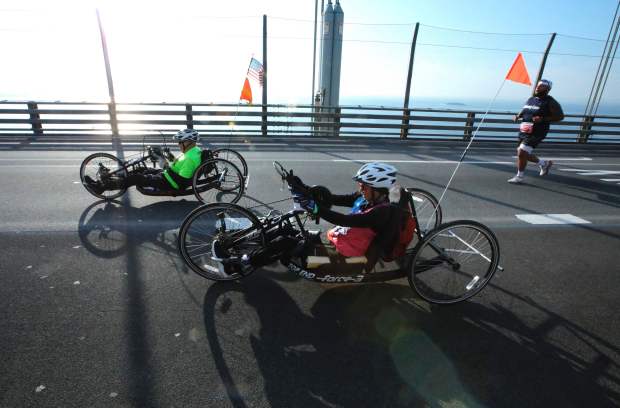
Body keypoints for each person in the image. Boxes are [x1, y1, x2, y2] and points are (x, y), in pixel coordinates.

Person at [212, 162, 415, 275]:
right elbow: (334, 199)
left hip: (348, 262)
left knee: (287, 242)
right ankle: (236, 248)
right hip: (336, 246)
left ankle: (236, 265)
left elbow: (345, 221)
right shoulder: (367, 198)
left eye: (363, 186)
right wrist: (304, 188)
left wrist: (315, 208)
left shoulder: (383, 212)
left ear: (377, 188)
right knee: (285, 228)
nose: (359, 189)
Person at [85, 128, 202, 194]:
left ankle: (101, 187)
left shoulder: (190, 159)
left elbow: (180, 182)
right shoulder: (192, 151)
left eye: (180, 142)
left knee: (136, 178)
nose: (178, 144)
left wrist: (164, 165)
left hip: (170, 183)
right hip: (167, 176)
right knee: (141, 169)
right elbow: (178, 163)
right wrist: (167, 155)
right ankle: (105, 180)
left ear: (188, 142)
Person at [508, 79, 564, 184]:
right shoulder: (531, 99)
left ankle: (519, 177)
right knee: (523, 154)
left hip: (538, 131)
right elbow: (526, 110)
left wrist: (543, 119)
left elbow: (560, 116)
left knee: (522, 152)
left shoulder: (550, 102)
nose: (538, 87)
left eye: (541, 86)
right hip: (524, 130)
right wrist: (518, 116)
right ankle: (544, 164)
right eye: (538, 85)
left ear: (547, 89)